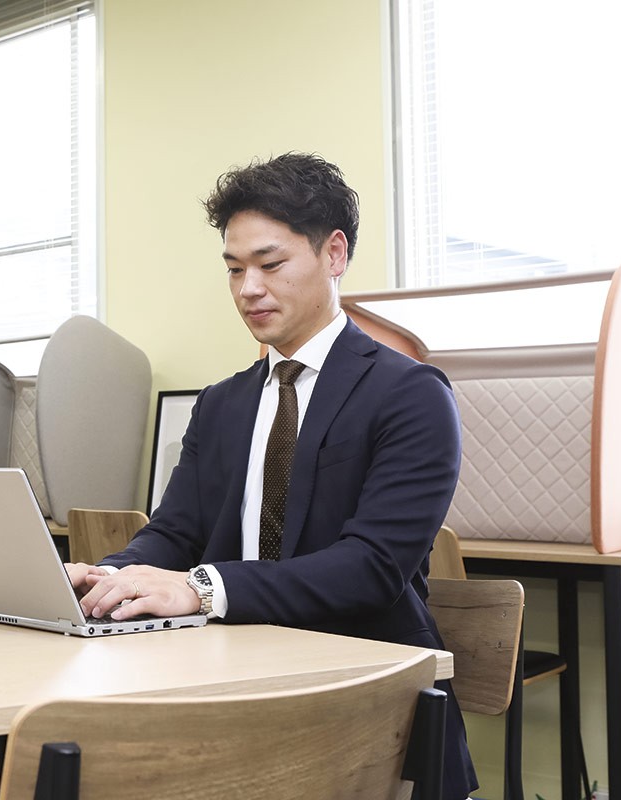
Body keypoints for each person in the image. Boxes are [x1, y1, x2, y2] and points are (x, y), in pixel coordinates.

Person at [66, 153, 476, 798]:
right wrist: (110, 576)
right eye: (234, 269)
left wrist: (201, 589)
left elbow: (371, 567)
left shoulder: (411, 394)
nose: (248, 289)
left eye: (270, 264)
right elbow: (175, 531)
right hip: (231, 679)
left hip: (369, 693)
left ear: (334, 254)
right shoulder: (221, 403)